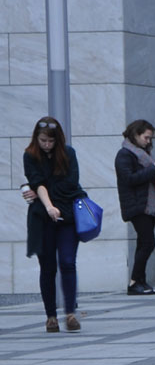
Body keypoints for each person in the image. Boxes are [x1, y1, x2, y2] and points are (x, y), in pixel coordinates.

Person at [23, 117, 86, 333]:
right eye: (43, 141)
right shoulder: (30, 155)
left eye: (51, 141)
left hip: (67, 217)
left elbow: (71, 184)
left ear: (57, 140)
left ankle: (70, 313)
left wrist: (41, 192)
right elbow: (36, 181)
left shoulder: (68, 153)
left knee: (68, 262)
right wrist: (46, 199)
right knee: (47, 267)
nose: (47, 145)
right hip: (42, 218)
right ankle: (50, 316)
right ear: (36, 138)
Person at [114, 119, 155, 295]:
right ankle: (134, 282)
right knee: (148, 242)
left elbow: (146, 174)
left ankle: (141, 281)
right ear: (135, 135)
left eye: (150, 138)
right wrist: (154, 169)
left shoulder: (141, 153)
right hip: (137, 205)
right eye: (146, 138)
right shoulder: (125, 154)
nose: (149, 141)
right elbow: (130, 179)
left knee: (143, 242)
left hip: (146, 204)